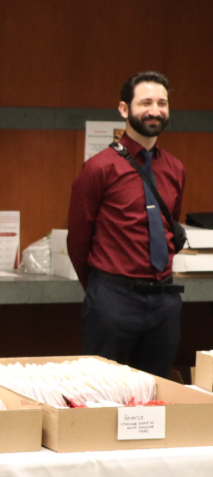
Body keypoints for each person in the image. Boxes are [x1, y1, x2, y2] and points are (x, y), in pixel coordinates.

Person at [67, 71, 185, 379]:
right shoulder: (99, 168)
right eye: (145, 102)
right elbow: (78, 240)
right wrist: (100, 289)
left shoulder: (175, 168)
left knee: (156, 394)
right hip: (113, 298)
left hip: (165, 300)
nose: (155, 110)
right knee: (104, 395)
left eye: (162, 103)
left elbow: (169, 226)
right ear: (124, 109)